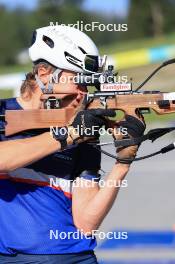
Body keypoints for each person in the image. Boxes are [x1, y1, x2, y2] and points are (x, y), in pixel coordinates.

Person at [0, 25, 145, 264]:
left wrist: (123, 162)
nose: (83, 93)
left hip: (74, 257)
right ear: (45, 74)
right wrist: (69, 134)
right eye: (78, 80)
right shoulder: (4, 113)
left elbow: (86, 223)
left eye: (88, 84)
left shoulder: (82, 127)